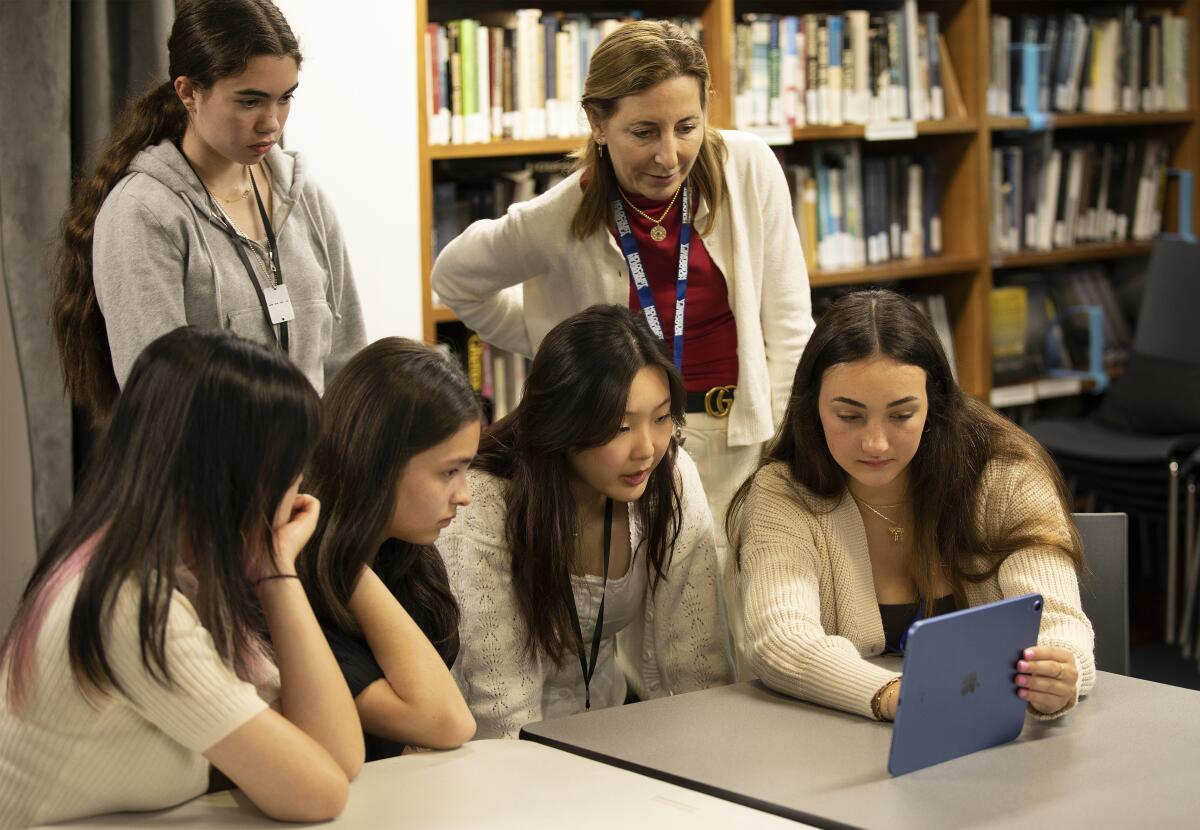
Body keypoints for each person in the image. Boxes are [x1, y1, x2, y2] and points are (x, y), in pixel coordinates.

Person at [431, 20, 814, 667]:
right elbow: (455, 278)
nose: (669, 154)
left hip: (740, 439)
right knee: (652, 646)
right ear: (597, 123)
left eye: (686, 126)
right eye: (645, 131)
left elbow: (788, 325)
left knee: (750, 631)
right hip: (626, 452)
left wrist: (786, 454)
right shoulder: (559, 215)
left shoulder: (748, 168)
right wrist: (549, 345)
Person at [0, 327, 363, 827]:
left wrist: (273, 566)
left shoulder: (171, 572)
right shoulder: (126, 601)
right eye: (292, 467)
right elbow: (320, 792)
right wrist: (275, 566)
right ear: (243, 476)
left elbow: (338, 755)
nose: (300, 486)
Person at [729, 289, 1096, 722]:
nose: (875, 443)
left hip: (991, 743)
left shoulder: (1005, 474)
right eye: (849, 416)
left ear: (935, 405)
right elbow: (781, 637)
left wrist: (1059, 671)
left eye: (901, 415)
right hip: (832, 749)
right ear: (812, 408)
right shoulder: (782, 492)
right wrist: (893, 694)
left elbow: (1057, 620)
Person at [52, 0, 365, 421]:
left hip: (313, 484)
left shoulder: (303, 194)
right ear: (188, 92)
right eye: (250, 101)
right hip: (211, 484)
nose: (272, 122)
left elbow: (348, 366)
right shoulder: (143, 214)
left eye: (284, 98)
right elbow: (161, 407)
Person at [438, 305, 734, 738]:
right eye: (620, 427)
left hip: (607, 732)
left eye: (662, 417)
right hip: (494, 752)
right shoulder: (485, 503)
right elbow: (501, 710)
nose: (648, 449)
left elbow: (698, 663)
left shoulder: (669, 475)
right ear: (565, 422)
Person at [298, 338, 479, 760]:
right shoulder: (297, 583)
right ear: (375, 464)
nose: (464, 495)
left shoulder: (403, 555)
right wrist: (347, 560)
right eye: (448, 471)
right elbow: (447, 722)